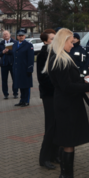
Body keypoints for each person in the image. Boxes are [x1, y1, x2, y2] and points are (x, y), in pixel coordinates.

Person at [43, 28, 89, 178]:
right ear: (63, 42)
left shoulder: (60, 57)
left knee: (67, 141)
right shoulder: (60, 59)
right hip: (67, 106)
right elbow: (67, 86)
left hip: (67, 104)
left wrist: (84, 79)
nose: (73, 45)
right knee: (68, 142)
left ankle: (65, 177)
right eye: (70, 42)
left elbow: (69, 80)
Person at [37, 29, 59, 169]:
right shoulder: (43, 55)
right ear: (45, 41)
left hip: (57, 94)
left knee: (57, 126)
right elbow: (43, 78)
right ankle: (44, 158)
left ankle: (54, 155)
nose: (54, 41)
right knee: (50, 126)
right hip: (49, 95)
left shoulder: (56, 52)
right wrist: (57, 84)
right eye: (52, 39)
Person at [12, 30, 34, 107]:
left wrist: (30, 69)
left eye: (22, 35)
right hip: (18, 69)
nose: (20, 37)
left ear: (25, 36)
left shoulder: (28, 45)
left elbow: (31, 58)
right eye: (19, 35)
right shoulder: (15, 45)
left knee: (26, 86)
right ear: (17, 36)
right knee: (20, 85)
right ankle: (22, 100)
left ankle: (26, 101)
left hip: (25, 69)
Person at [0, 30, 17, 99]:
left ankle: (15, 93)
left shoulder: (14, 42)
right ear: (3, 36)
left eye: (7, 34)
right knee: (4, 80)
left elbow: (16, 53)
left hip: (13, 64)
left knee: (15, 79)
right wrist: (3, 52)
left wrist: (9, 51)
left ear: (10, 34)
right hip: (4, 64)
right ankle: (5, 94)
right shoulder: (1, 44)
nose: (6, 35)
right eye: (4, 34)